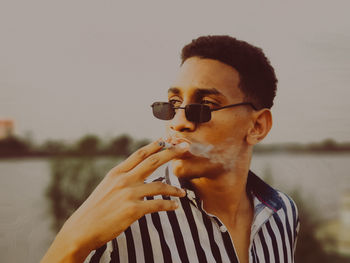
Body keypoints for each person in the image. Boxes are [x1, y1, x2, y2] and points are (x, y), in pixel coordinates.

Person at [41, 35, 299, 263]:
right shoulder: (127, 220)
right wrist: (72, 241)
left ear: (257, 126)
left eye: (206, 105)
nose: (179, 122)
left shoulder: (283, 212)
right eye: (173, 103)